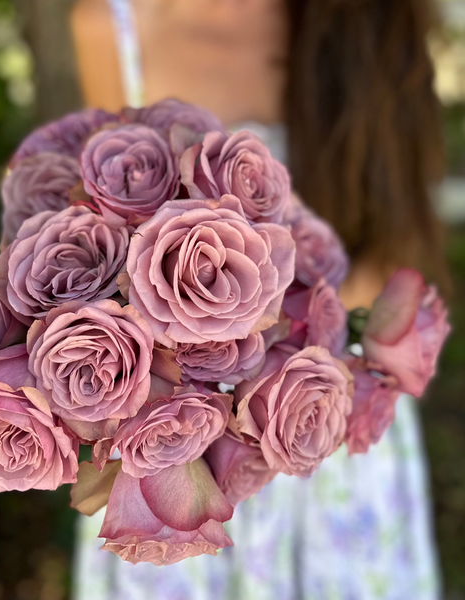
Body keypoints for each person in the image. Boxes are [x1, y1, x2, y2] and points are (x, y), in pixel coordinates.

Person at [70, 1, 447, 598]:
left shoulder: (371, 20)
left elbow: (395, 255)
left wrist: (252, 324)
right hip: (184, 453)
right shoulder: (113, 31)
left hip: (328, 420)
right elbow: (105, 232)